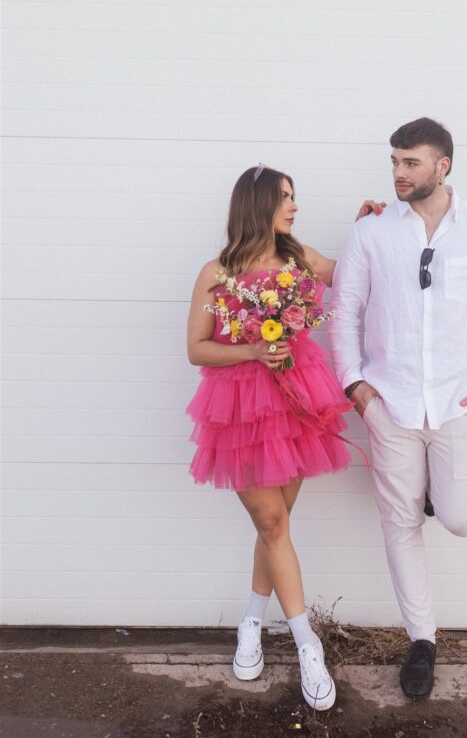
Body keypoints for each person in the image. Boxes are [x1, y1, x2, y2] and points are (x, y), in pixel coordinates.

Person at [330, 117, 467, 700]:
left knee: (461, 517)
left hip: (459, 405)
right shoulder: (371, 233)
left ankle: (438, 487)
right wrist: (357, 390)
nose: (398, 173)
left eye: (410, 162)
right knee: (400, 523)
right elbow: (345, 312)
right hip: (388, 405)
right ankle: (422, 640)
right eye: (393, 161)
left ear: (443, 166)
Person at [185, 165, 383, 711]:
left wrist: (368, 230)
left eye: (294, 196)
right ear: (257, 205)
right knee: (271, 522)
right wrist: (251, 350)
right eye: (286, 198)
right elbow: (198, 348)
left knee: (276, 525)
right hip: (240, 414)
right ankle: (307, 645)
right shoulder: (216, 273)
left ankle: (251, 621)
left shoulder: (298, 258)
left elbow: (352, 275)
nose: (294, 206)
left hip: (297, 404)